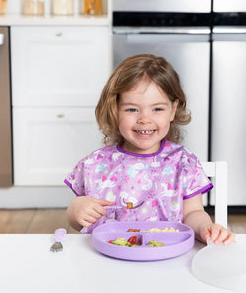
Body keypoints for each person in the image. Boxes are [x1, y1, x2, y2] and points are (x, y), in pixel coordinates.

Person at [65, 54, 235, 245]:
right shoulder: (95, 164)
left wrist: (205, 228)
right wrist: (76, 209)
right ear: (114, 110)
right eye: (132, 109)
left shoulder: (183, 163)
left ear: (173, 110)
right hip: (107, 259)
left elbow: (193, 213)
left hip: (166, 256)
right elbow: (78, 223)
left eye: (157, 109)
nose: (145, 119)